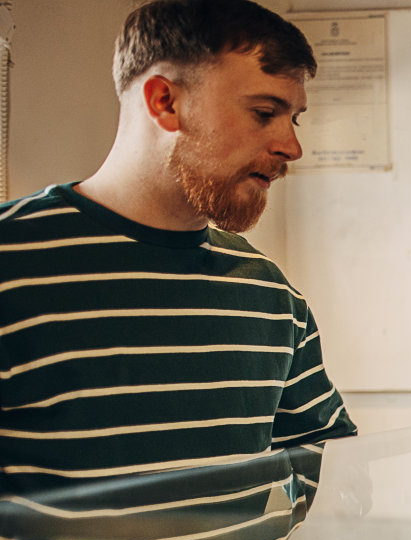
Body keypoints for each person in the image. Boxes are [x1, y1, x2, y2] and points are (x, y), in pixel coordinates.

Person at [0, 0, 355, 494]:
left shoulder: (272, 295)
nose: (291, 146)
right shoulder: (11, 259)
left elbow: (331, 460)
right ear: (165, 101)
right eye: (264, 112)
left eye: (294, 118)